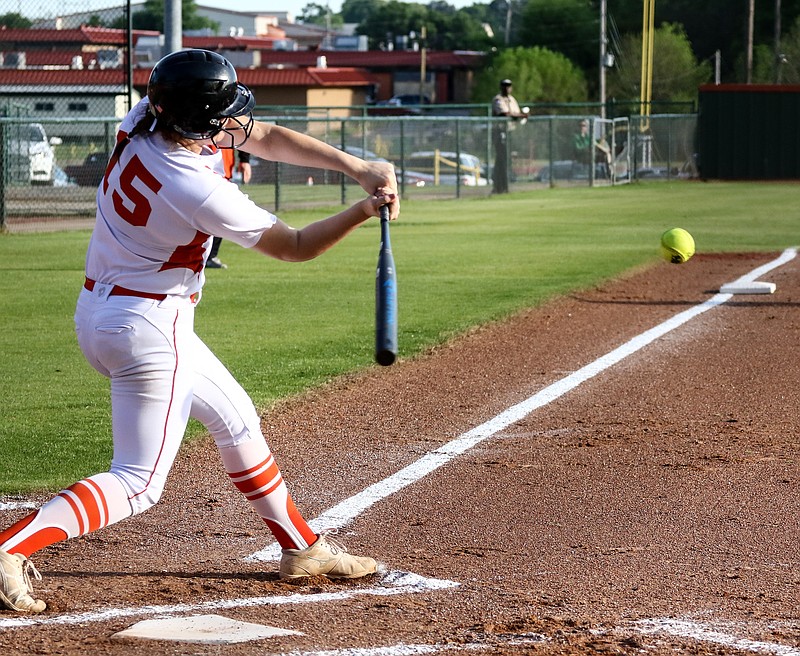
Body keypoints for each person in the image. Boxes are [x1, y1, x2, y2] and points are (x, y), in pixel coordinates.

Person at [0, 49, 398, 614]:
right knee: (138, 483)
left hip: (112, 311)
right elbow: (297, 246)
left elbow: (264, 135)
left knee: (237, 420)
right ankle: (8, 549)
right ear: (197, 120)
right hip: (147, 327)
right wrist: (364, 208)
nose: (233, 124)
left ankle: (301, 547)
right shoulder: (193, 185)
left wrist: (356, 165)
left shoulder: (144, 118)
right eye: (220, 115)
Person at [206, 149, 252, 269]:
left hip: (222, 167)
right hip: (198, 166)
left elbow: (240, 132)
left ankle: (210, 256)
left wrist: (244, 159)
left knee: (218, 213)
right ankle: (207, 256)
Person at [491, 79, 529, 194]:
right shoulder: (498, 99)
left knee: (507, 160)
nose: (507, 88)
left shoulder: (512, 99)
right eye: (504, 86)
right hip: (500, 132)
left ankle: (503, 186)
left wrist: (521, 115)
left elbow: (516, 112)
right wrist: (521, 115)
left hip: (510, 132)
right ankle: (499, 186)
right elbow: (504, 114)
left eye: (509, 86)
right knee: (501, 160)